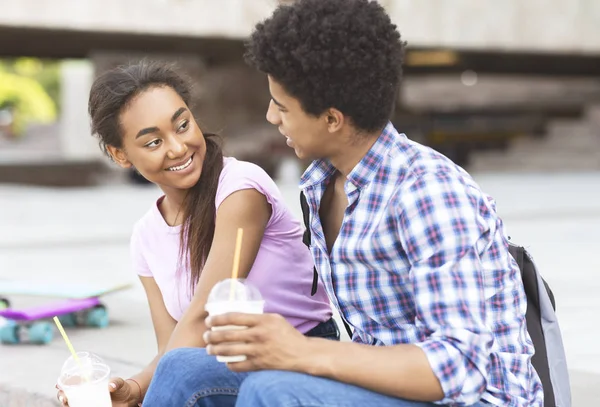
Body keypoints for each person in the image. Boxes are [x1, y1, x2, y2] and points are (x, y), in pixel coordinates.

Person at [203, 0, 544, 406]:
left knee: (271, 391)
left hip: (467, 399)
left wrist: (302, 352)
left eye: (281, 106)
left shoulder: (428, 192)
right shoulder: (322, 185)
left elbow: (461, 366)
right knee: (188, 370)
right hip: (385, 387)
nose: (270, 116)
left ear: (332, 120)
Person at [56, 61, 337, 407]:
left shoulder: (240, 189)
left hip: (302, 360)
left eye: (183, 125)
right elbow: (172, 348)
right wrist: (132, 389)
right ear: (120, 154)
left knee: (183, 373)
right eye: (154, 141)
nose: (177, 148)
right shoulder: (146, 236)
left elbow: (202, 318)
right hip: (218, 371)